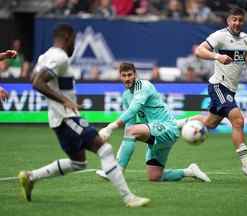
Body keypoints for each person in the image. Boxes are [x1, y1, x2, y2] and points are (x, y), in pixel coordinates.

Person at [17, 24, 150, 208]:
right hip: (67, 118)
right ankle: (129, 198)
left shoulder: (45, 56)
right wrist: (64, 100)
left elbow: (34, 78)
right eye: (75, 41)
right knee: (105, 150)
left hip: (59, 120)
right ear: (68, 38)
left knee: (78, 163)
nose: (75, 46)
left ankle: (31, 177)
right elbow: (38, 83)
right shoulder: (60, 56)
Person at [179, 7, 247, 179]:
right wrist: (218, 57)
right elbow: (200, 50)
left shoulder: (246, 39)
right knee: (238, 120)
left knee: (210, 123)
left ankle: (180, 123)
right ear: (228, 21)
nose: (237, 23)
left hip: (230, 89)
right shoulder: (220, 36)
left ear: (243, 22)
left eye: (240, 20)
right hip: (218, 86)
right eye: (234, 20)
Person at [96, 62, 210, 182]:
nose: (127, 78)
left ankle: (116, 171)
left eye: (130, 75)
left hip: (166, 129)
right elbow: (130, 123)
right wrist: (126, 135)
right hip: (156, 137)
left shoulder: (143, 85)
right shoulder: (126, 96)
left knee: (131, 132)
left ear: (135, 75)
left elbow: (134, 108)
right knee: (155, 176)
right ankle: (189, 171)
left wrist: (110, 127)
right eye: (124, 75)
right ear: (120, 77)